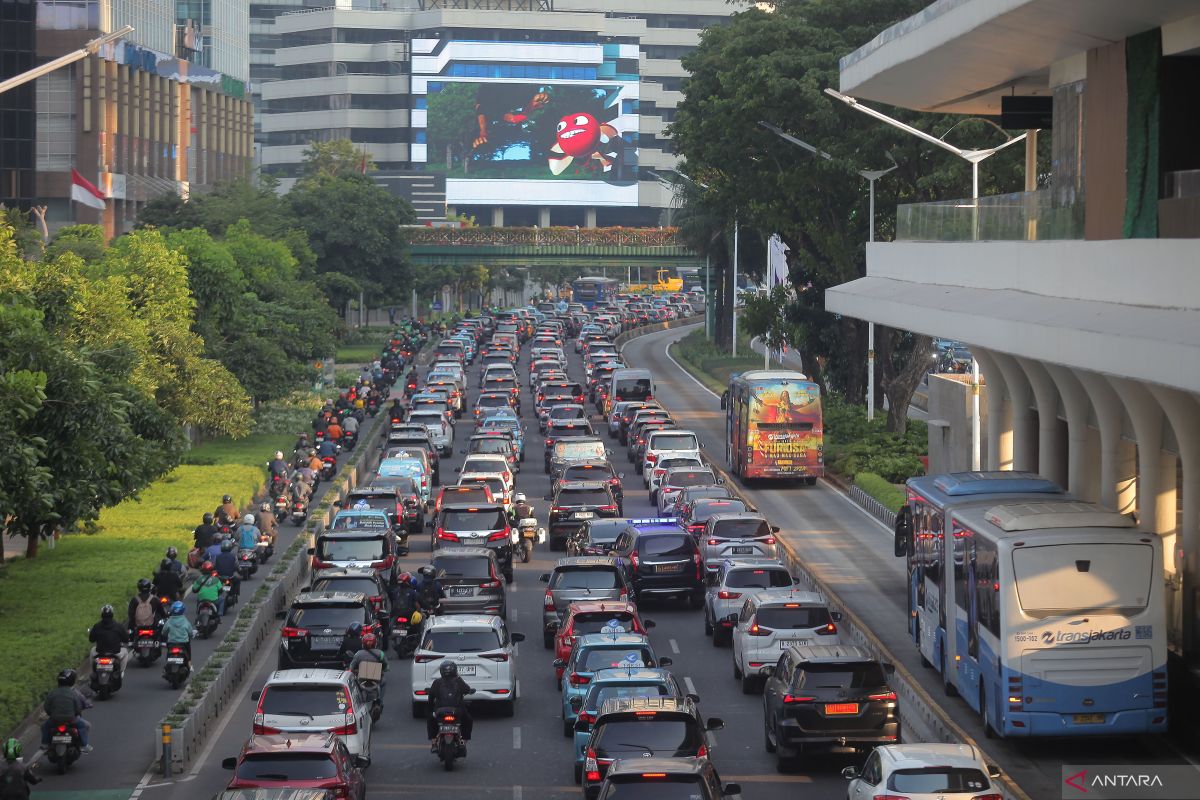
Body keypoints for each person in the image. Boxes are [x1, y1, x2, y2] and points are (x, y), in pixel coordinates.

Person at [40, 670, 91, 753]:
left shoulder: (52, 692)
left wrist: (51, 714)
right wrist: (76, 714)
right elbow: (77, 707)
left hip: (54, 719)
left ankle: (45, 744)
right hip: (71, 719)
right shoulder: (74, 693)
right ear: (72, 681)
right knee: (83, 726)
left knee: (44, 726)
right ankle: (83, 745)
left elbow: (47, 706)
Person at [426, 661, 473, 748]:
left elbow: (431, 698)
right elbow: (467, 690)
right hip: (457, 711)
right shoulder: (459, 681)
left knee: (431, 720)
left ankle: (433, 741)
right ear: (455, 670)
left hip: (440, 711)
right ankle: (464, 741)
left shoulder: (436, 682)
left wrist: (430, 710)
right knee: (468, 720)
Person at [88, 605, 131, 678]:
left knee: (92, 651)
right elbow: (126, 639)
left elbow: (91, 639)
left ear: (102, 615)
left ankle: (93, 672)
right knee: (126, 652)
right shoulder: (119, 626)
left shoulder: (97, 626)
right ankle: (121, 672)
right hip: (116, 653)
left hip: (100, 652)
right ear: (112, 614)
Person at [349, 631, 389, 699]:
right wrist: (383, 670)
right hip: (376, 679)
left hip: (361, 680)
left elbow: (351, 667)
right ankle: (380, 700)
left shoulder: (358, 654)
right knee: (383, 682)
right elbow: (386, 667)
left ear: (363, 643)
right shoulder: (380, 653)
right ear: (375, 643)